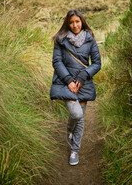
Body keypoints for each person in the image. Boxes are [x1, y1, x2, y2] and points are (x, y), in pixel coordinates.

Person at [50, 10, 101, 165]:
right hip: (66, 83)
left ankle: (74, 151)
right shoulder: (60, 40)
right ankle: (69, 129)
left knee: (80, 119)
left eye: (77, 21)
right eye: (71, 22)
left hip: (83, 84)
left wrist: (82, 76)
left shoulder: (90, 39)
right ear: (68, 23)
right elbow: (57, 62)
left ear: (82, 22)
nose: (75, 25)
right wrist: (69, 81)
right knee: (76, 113)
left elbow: (97, 64)